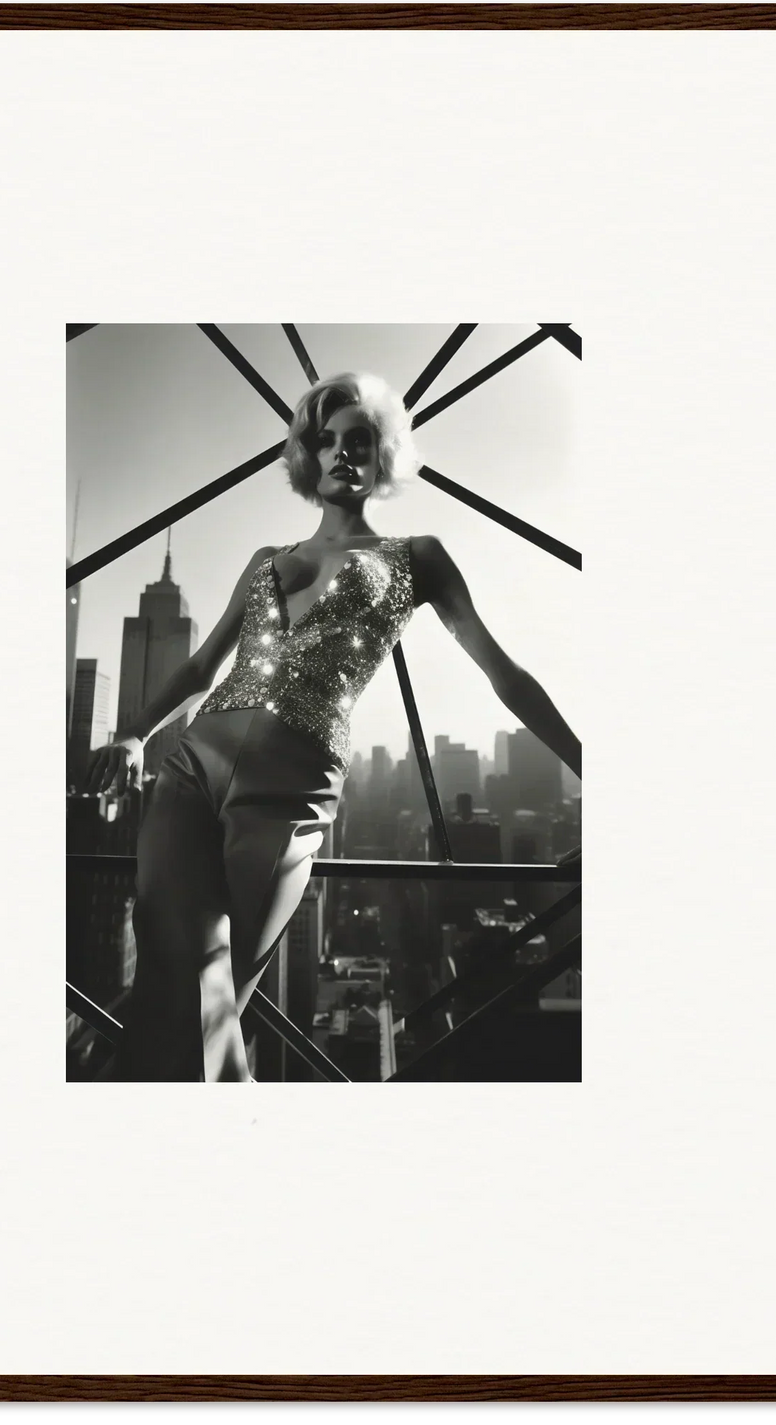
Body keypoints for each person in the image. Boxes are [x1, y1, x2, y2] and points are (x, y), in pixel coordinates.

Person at [84, 372, 581, 1081]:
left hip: (292, 784)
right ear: (305, 456)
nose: (342, 452)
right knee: (168, 971)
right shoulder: (266, 560)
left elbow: (502, 674)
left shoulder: (418, 558)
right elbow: (200, 669)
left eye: (360, 440)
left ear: (384, 458)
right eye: (326, 440)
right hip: (191, 768)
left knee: (211, 992)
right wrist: (135, 734)